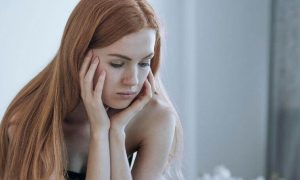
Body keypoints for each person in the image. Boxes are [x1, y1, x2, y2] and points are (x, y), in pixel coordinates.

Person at [0, 0, 184, 179]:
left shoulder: (156, 117)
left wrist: (116, 133)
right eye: (117, 64)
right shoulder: (30, 123)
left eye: (144, 63)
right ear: (79, 56)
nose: (133, 80)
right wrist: (99, 132)